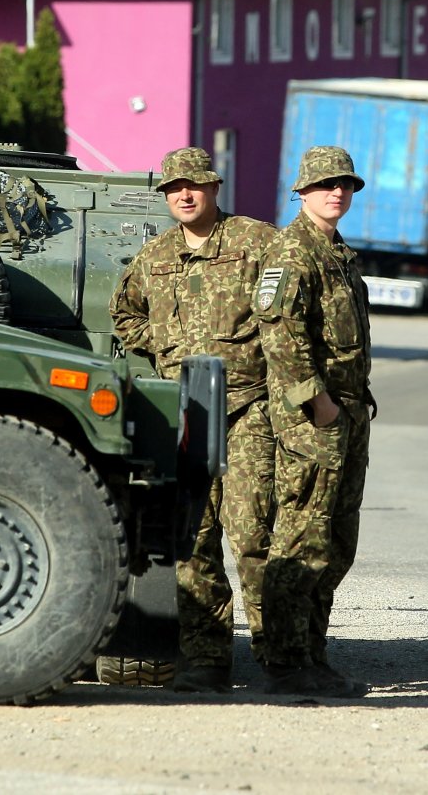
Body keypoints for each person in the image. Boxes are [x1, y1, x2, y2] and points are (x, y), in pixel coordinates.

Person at [110, 146, 276, 693]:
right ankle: (205, 661)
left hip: (247, 406)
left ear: (214, 189)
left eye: (195, 186)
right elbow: (124, 312)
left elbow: (293, 304)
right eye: (175, 188)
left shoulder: (256, 243)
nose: (184, 195)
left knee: (253, 537)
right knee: (193, 541)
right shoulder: (154, 256)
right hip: (185, 415)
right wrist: (162, 342)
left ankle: (281, 657)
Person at [255, 146, 373, 698]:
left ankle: (313, 653)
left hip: (348, 412)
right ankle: (284, 662)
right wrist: (317, 403)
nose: (337, 193)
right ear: (301, 192)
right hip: (314, 418)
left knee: (337, 540)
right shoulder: (290, 251)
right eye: (326, 185)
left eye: (345, 185)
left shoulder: (339, 254)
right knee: (301, 538)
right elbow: (280, 334)